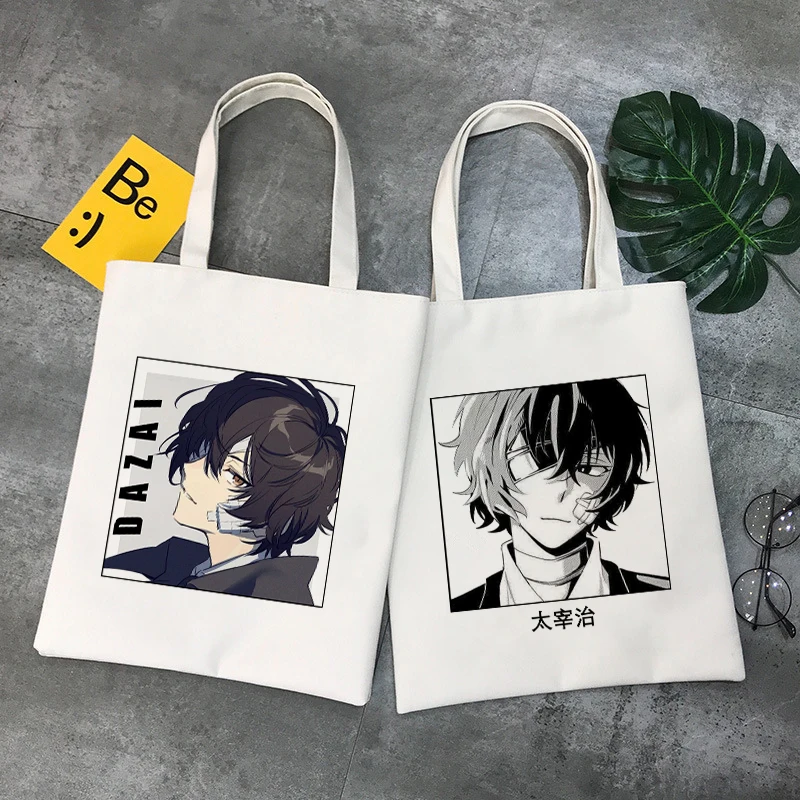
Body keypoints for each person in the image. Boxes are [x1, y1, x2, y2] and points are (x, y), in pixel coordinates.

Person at [103, 372, 346, 606]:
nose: (190, 468)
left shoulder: (275, 601)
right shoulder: (174, 559)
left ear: (283, 513)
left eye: (234, 476)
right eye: (203, 449)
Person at [443, 379, 670, 611]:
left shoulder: (663, 597)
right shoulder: (459, 612)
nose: (561, 490)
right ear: (489, 462)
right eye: (536, 463)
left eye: (589, 467)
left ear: (617, 477)